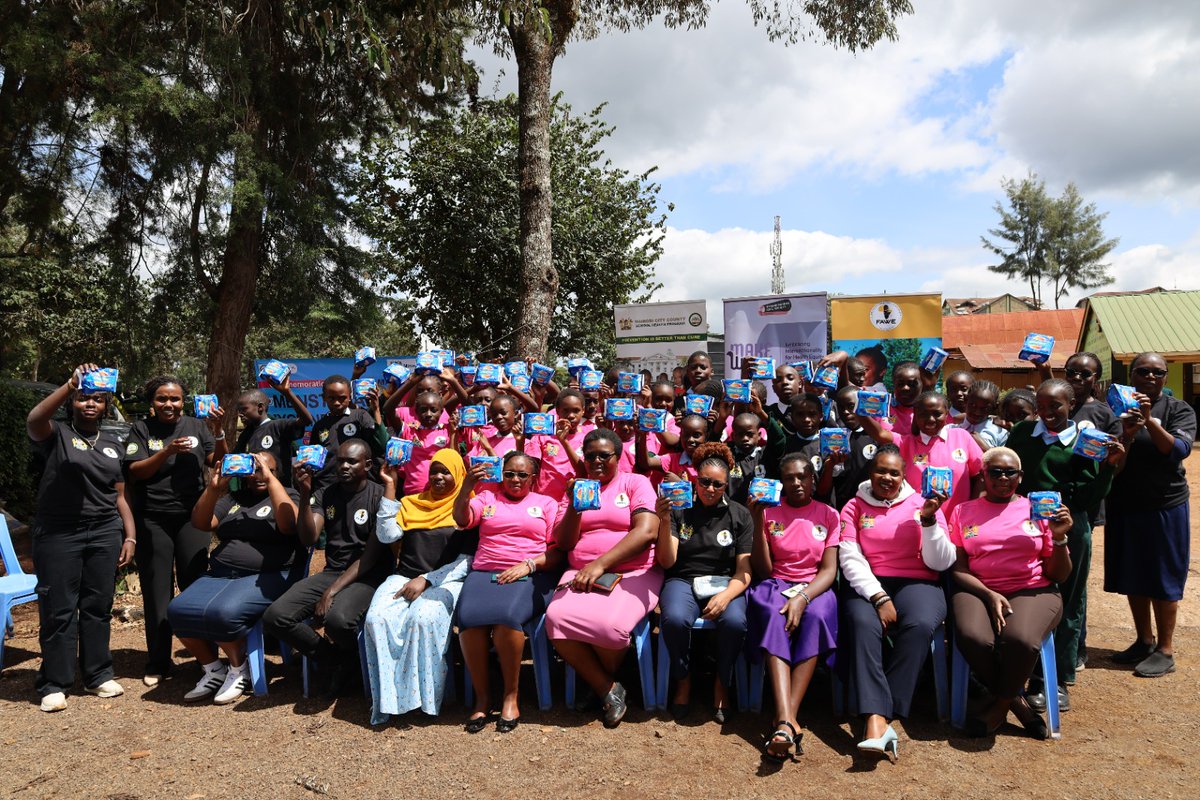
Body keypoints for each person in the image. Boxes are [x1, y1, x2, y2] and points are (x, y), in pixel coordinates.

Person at [1007, 379, 1127, 707]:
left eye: (1055, 406)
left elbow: (1089, 496)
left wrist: (1106, 468)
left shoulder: (1085, 441)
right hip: (1024, 528)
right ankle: (1025, 673)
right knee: (1026, 596)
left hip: (1070, 527)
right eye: (1041, 406)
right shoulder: (1021, 434)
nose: (1047, 413)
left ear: (1071, 404)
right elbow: (1007, 476)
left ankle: (1057, 680)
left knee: (1068, 601)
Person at [26, 364, 137, 712]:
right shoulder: (55, 433)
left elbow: (119, 495)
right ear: (73, 401)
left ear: (106, 406)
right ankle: (54, 682)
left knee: (97, 606)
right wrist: (70, 382)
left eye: (98, 399)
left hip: (104, 531)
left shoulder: (112, 442)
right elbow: (33, 418)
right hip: (59, 533)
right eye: (83, 397)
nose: (90, 403)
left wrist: (130, 536)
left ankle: (97, 674)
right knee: (59, 609)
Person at [949, 447, 1074, 739]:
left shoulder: (1038, 509)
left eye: (1010, 472)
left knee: (1020, 640)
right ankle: (1019, 702)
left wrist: (1059, 537)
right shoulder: (962, 511)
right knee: (973, 637)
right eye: (995, 472)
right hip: (978, 588)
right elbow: (958, 569)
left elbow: (1059, 574)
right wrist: (989, 595)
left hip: (1033, 589)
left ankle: (1001, 705)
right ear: (983, 475)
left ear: (1020, 476)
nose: (1003, 478)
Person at [838, 445, 953, 759]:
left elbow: (942, 562)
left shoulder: (923, 504)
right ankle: (877, 719)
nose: (886, 477)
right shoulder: (854, 506)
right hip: (869, 582)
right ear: (870, 473)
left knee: (918, 625)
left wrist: (929, 522)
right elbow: (850, 557)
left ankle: (883, 713)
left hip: (919, 581)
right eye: (880, 471)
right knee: (862, 623)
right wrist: (879, 597)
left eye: (894, 472)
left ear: (904, 476)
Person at [544, 429, 662, 728]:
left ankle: (594, 683)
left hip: (633, 571)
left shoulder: (636, 483)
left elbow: (647, 531)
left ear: (618, 457)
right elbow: (565, 542)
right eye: (590, 455)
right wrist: (573, 504)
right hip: (580, 571)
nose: (596, 461)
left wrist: (600, 565)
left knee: (610, 627)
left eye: (604, 455)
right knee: (556, 621)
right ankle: (607, 687)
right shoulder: (578, 489)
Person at [168, 452, 302, 704]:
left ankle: (240, 669)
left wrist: (270, 478)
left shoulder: (288, 494)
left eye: (266, 469)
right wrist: (213, 488)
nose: (259, 474)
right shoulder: (234, 498)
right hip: (221, 574)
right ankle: (214, 669)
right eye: (254, 469)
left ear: (277, 472)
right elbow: (200, 522)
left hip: (268, 575)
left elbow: (289, 525)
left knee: (223, 613)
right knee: (177, 610)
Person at [260, 440, 390, 695]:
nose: (344, 466)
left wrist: (330, 592)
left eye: (351, 461)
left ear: (367, 465)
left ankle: (353, 662)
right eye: (340, 460)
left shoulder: (379, 495)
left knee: (337, 622)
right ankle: (337, 660)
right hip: (334, 571)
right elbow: (309, 538)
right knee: (276, 616)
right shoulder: (325, 494)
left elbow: (371, 556)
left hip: (368, 575)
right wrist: (306, 493)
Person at [123, 376, 226, 687]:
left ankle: (206, 660)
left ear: (184, 401)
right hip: (152, 518)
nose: (169, 404)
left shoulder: (197, 426)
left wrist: (218, 433)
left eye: (175, 399)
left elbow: (218, 461)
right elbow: (134, 471)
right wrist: (165, 453)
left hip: (191, 518)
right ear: (152, 402)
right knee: (157, 592)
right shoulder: (141, 429)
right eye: (162, 399)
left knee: (194, 584)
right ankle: (158, 661)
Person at [363, 450, 474, 724]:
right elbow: (386, 535)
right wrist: (390, 486)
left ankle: (424, 701)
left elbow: (467, 562)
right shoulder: (412, 503)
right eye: (434, 470)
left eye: (446, 471)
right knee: (376, 619)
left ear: (458, 474)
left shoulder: (467, 507)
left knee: (422, 619)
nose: (438, 476)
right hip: (404, 577)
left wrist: (428, 579)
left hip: (446, 580)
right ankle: (389, 701)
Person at [454, 452, 562, 733]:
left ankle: (510, 696)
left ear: (533, 479)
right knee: (469, 620)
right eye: (509, 473)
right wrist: (467, 487)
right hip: (484, 572)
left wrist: (528, 565)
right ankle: (482, 696)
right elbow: (461, 518)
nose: (514, 479)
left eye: (522, 475)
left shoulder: (547, 504)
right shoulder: (487, 498)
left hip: (530, 573)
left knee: (506, 620)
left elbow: (558, 552)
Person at [1105, 352, 1196, 678]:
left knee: (1163, 577)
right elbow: (1113, 461)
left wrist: (1148, 420)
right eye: (1143, 371)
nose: (1151, 377)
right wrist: (1127, 433)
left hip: (1164, 506)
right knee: (1133, 574)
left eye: (1158, 372)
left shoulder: (1178, 410)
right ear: (1132, 375)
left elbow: (1178, 450)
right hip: (1125, 504)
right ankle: (1144, 640)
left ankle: (1165, 649)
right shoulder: (1115, 410)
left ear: (1165, 377)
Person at [745, 454, 840, 762]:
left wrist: (803, 597)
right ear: (781, 482)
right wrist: (757, 521)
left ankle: (784, 719)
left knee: (817, 615)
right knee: (774, 614)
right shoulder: (769, 511)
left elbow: (828, 571)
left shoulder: (829, 514)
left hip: (814, 586)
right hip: (776, 583)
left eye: (803, 476)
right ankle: (787, 720)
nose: (797, 482)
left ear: (813, 479)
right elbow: (762, 568)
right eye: (789, 478)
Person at [654, 443, 752, 723]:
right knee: (674, 619)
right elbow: (667, 561)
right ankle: (683, 679)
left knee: (734, 622)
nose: (710, 489)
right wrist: (663, 520)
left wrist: (725, 596)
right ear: (694, 479)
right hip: (683, 578)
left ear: (726, 484)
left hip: (725, 582)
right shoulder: (678, 509)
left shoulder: (739, 514)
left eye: (718, 485)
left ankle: (722, 681)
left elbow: (744, 569)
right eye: (705, 482)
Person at [860, 390, 984, 518]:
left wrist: (973, 508)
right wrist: (861, 405)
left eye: (937, 414)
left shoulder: (961, 436)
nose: (930, 419)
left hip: (958, 521)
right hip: (916, 522)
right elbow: (880, 434)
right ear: (915, 415)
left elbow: (981, 474)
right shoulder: (905, 443)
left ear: (947, 414)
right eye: (923, 414)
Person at [233, 370, 314, 486]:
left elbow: (306, 420)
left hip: (279, 491)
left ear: (260, 407)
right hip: (254, 494)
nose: (240, 414)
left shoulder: (277, 426)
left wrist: (287, 392)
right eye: (239, 411)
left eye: (244, 409)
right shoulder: (246, 435)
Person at [308, 374, 385, 490]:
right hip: (327, 486)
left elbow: (381, 443)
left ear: (350, 397)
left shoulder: (360, 416)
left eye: (342, 398)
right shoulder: (320, 425)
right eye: (331, 398)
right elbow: (314, 459)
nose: (337, 403)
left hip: (358, 485)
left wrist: (376, 410)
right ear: (324, 398)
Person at [956, 380, 1008, 450]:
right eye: (973, 405)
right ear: (965, 400)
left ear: (995, 407)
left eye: (985, 408)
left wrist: (986, 449)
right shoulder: (949, 430)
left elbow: (1005, 460)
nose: (977, 412)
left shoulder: (1001, 434)